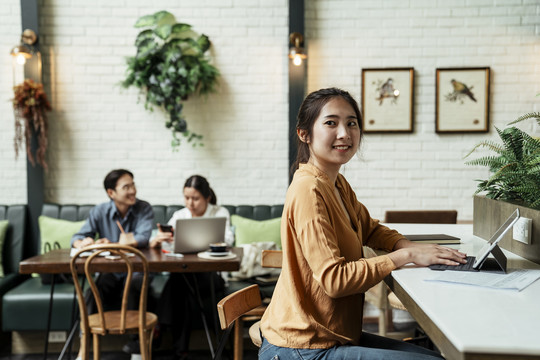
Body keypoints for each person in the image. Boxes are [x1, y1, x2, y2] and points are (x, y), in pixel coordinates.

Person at [259, 88, 467, 360]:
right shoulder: (308, 190)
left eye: (352, 123)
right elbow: (335, 280)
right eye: (331, 123)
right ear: (304, 134)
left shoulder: (336, 184)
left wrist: (408, 245)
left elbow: (370, 228)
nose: (345, 133)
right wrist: (405, 256)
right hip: (302, 346)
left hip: (332, 336)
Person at [70, 169, 154, 358]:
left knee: (134, 284)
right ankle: (85, 346)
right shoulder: (99, 211)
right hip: (109, 272)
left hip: (137, 271)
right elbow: (78, 236)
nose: (133, 190)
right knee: (92, 291)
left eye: (133, 185)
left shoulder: (144, 208)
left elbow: (142, 238)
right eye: (126, 187)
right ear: (111, 193)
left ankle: (137, 348)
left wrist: (111, 243)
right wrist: (82, 242)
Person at [150, 174, 233, 360]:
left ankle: (160, 327)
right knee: (183, 284)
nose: (190, 203)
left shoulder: (219, 212)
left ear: (207, 198)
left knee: (180, 280)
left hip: (212, 275)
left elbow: (228, 240)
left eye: (195, 198)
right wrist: (159, 239)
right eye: (186, 198)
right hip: (186, 274)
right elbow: (165, 244)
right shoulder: (179, 216)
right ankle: (181, 351)